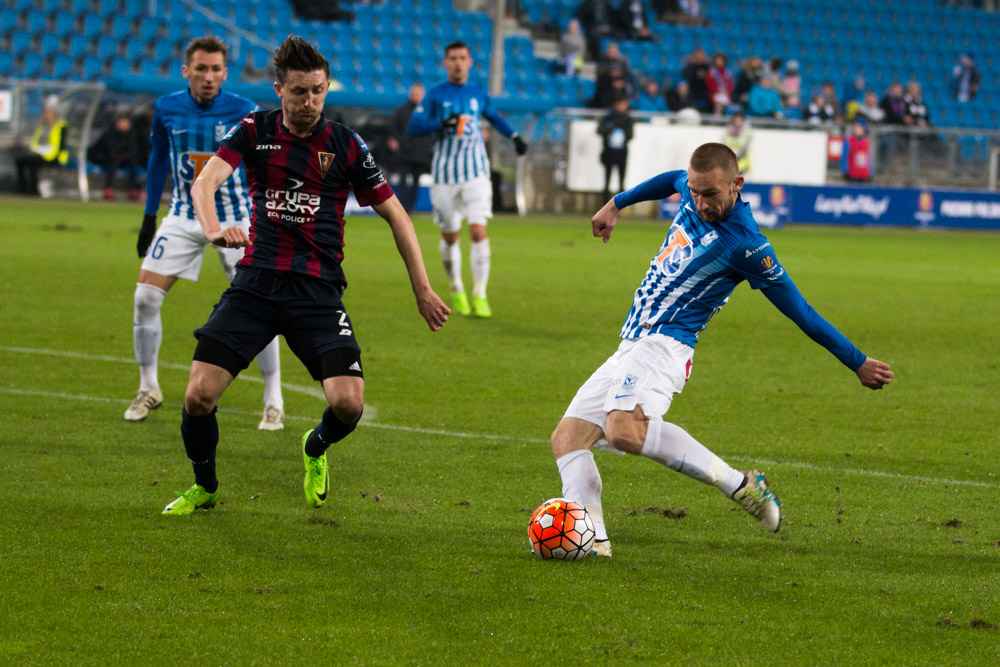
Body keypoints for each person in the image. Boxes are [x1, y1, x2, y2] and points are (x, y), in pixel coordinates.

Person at [549, 143, 894, 556]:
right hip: (632, 343)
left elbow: (801, 311)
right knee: (567, 439)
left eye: (710, 194)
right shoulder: (694, 189)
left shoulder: (747, 246)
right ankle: (594, 546)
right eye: (694, 192)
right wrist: (616, 204)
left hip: (666, 345)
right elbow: (669, 180)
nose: (699, 202)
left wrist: (856, 361)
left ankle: (739, 484)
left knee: (623, 429)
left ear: (736, 184)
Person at [161, 35, 450, 516]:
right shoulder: (254, 130)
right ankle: (205, 486)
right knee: (198, 395)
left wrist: (422, 289)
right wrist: (212, 229)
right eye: (299, 92)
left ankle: (314, 447)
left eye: (318, 90)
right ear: (279, 89)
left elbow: (397, 215)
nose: (310, 101)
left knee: (348, 405)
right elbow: (205, 180)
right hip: (256, 283)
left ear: (327, 86)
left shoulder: (344, 143)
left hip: (316, 291)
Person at [127, 36, 285, 430]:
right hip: (183, 215)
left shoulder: (244, 110)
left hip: (236, 219)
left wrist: (266, 215)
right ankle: (149, 387)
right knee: (145, 296)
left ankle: (273, 398)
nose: (209, 76)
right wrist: (149, 216)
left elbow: (262, 164)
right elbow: (158, 160)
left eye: (216, 70)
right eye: (201, 69)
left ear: (225, 73)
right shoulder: (166, 108)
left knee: (260, 307)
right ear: (187, 71)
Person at [407, 41, 528, 319]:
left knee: (477, 230)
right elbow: (413, 126)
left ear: (470, 62)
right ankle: (457, 287)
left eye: (462, 58)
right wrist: (442, 124)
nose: (458, 63)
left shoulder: (477, 94)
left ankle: (480, 294)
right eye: (453, 58)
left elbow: (495, 118)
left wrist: (515, 137)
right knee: (450, 236)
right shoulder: (436, 95)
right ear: (446, 63)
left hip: (476, 174)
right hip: (445, 177)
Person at [386, 82, 434, 213]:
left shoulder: (428, 111)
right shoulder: (402, 110)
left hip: (421, 153)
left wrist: (430, 146)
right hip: (404, 152)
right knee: (402, 180)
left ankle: (410, 206)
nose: (416, 96)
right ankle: (402, 206)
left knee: (416, 181)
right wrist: (393, 140)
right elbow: (394, 128)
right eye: (414, 93)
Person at [14, 97, 68, 198]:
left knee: (32, 163)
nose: (47, 115)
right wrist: (42, 126)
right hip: (42, 154)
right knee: (20, 161)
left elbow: (59, 147)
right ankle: (22, 189)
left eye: (49, 112)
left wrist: (43, 151)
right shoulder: (43, 126)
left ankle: (34, 190)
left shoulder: (61, 126)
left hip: (54, 157)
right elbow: (34, 142)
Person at [89, 114, 142, 200]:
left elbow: (134, 149)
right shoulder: (109, 134)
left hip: (126, 159)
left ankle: (134, 189)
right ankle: (108, 189)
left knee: (134, 163)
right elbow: (108, 148)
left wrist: (126, 156)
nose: (123, 125)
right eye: (121, 122)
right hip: (111, 158)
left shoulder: (133, 134)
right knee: (113, 163)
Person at [598, 94, 633, 202]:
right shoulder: (608, 117)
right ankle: (604, 204)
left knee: (621, 180)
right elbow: (600, 130)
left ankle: (620, 205)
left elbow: (630, 135)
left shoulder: (627, 119)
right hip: (609, 152)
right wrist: (612, 128)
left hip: (622, 153)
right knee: (607, 179)